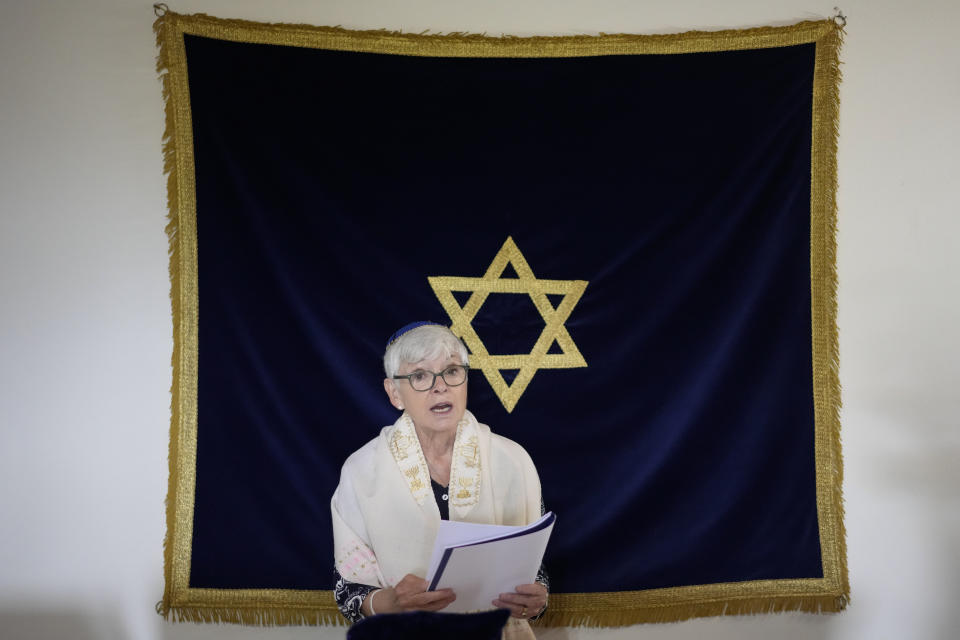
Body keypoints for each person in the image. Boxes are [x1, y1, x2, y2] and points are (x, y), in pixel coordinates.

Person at [331, 322, 549, 639]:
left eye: (451, 372)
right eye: (419, 376)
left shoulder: (514, 460)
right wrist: (387, 601)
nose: (440, 387)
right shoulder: (361, 470)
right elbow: (347, 591)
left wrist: (536, 600)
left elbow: (535, 568)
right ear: (395, 393)